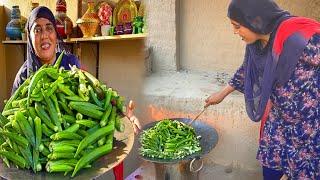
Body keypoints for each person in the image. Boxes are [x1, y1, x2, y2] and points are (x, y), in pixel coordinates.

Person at [11, 6, 141, 180]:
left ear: (56, 34)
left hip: (77, 156)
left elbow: (97, 96)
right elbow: (15, 126)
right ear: (29, 36)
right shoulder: (24, 77)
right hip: (41, 167)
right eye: (37, 29)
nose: (44, 35)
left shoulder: (70, 64)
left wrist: (122, 114)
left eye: (49, 28)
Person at [204, 0, 319, 179]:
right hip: (279, 121)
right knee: (271, 169)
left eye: (237, 26)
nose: (235, 32)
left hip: (309, 127)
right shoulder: (256, 46)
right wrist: (221, 94)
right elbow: (246, 70)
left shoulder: (299, 39)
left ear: (255, 21)